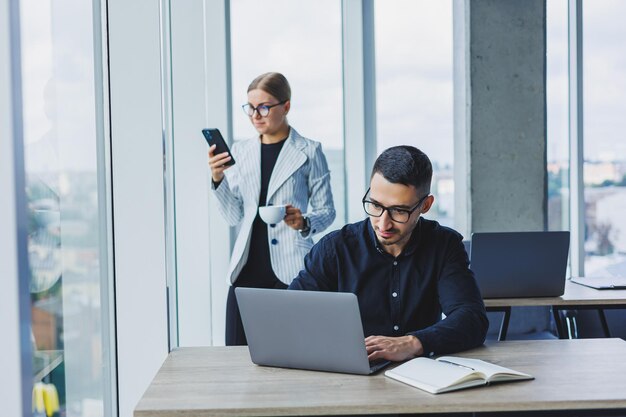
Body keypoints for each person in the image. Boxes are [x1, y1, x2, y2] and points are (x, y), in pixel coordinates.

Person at [289, 145, 488, 361]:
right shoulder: (334, 248)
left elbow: (471, 319)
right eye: (375, 205)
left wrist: (413, 342)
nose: (384, 223)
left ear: (426, 205)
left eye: (399, 211)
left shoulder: (444, 245)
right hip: (349, 375)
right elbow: (290, 313)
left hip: (421, 375)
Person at [209, 72, 336, 346]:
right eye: (251, 108)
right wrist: (218, 180)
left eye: (264, 107)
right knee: (237, 355)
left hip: (290, 271)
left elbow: (327, 211)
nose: (256, 115)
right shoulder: (240, 151)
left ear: (286, 106)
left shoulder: (310, 151)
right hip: (245, 270)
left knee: (291, 352)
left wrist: (303, 222)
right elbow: (233, 216)